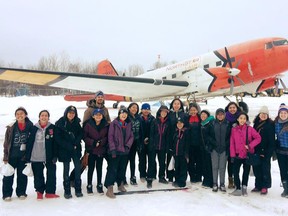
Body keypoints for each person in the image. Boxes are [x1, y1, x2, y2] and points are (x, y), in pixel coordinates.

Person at [26, 110, 59, 200]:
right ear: (39, 117)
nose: (44, 117)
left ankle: (50, 192)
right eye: (42, 115)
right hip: (36, 155)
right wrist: (27, 156)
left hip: (49, 156)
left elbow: (56, 142)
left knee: (51, 174)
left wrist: (55, 155)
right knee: (38, 175)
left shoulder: (52, 128)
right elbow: (29, 142)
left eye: (46, 115)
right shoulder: (34, 128)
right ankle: (39, 192)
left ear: (48, 117)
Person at [2, 107, 33, 201]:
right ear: (15, 116)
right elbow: (6, 143)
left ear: (25, 115)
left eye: (21, 113)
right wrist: (5, 156)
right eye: (17, 114)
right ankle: (7, 194)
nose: (20, 115)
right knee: (8, 176)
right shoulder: (11, 127)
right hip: (12, 155)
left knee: (22, 175)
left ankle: (21, 192)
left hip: (23, 156)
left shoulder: (30, 126)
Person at [104, 107, 134, 198]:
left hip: (124, 151)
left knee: (122, 169)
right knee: (112, 169)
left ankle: (120, 184)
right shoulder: (114, 123)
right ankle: (109, 188)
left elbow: (131, 136)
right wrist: (112, 149)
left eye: (125, 113)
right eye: (122, 113)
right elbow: (110, 136)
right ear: (119, 114)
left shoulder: (129, 123)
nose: (123, 115)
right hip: (115, 151)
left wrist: (128, 146)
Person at [230, 112, 261, 196]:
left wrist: (250, 145)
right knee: (235, 171)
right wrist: (232, 154)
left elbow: (258, 138)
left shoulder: (249, 129)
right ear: (237, 119)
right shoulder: (234, 129)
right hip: (237, 154)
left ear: (246, 120)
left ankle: (244, 187)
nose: (242, 120)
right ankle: (238, 187)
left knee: (246, 172)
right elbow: (232, 142)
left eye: (244, 118)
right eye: (241, 118)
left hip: (247, 154)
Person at [55, 105, 83, 199]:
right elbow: (58, 138)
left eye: (73, 113)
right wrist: (69, 146)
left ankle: (78, 188)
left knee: (78, 167)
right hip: (65, 149)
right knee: (66, 169)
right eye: (69, 113)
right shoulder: (60, 123)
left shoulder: (77, 122)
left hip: (75, 148)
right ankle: (67, 190)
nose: (71, 115)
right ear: (66, 113)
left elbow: (80, 133)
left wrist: (76, 142)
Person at [83, 108, 109, 195]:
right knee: (91, 168)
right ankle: (89, 185)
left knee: (99, 168)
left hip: (101, 150)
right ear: (93, 116)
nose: (98, 116)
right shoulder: (88, 124)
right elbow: (85, 136)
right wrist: (93, 142)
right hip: (91, 150)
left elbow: (107, 136)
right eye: (96, 115)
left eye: (100, 115)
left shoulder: (105, 124)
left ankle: (99, 184)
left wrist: (102, 142)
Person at [252, 106, 275, 195]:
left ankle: (265, 186)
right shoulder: (256, 123)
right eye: (262, 114)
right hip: (256, 150)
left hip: (265, 151)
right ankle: (258, 185)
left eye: (265, 114)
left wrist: (267, 153)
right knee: (256, 168)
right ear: (259, 114)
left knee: (265, 169)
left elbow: (271, 141)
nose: (263, 115)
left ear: (268, 115)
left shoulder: (270, 125)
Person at [149, 105, 170, 188]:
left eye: (165, 112)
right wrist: (151, 144)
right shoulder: (154, 121)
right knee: (151, 162)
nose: (164, 113)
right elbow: (151, 134)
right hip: (154, 145)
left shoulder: (168, 122)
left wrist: (167, 146)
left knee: (162, 163)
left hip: (163, 146)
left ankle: (161, 177)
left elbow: (168, 136)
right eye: (162, 111)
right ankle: (150, 177)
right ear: (159, 112)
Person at [167, 98, 188, 182]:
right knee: (170, 158)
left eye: (178, 104)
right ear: (172, 104)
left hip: (181, 138)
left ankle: (180, 177)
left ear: (180, 105)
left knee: (180, 160)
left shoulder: (184, 114)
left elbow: (186, 126)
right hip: (171, 138)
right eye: (175, 103)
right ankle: (170, 176)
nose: (176, 105)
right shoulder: (169, 114)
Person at [211, 108, 230, 192]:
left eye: (222, 114)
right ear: (216, 115)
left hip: (224, 149)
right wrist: (212, 143)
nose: (220, 116)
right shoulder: (212, 123)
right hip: (214, 149)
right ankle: (215, 183)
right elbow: (208, 135)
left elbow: (230, 136)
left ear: (224, 115)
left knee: (222, 167)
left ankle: (222, 183)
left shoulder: (228, 124)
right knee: (215, 167)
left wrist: (226, 144)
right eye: (218, 114)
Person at [225, 102, 241, 189]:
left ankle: (237, 179)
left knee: (237, 162)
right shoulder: (225, 118)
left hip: (238, 143)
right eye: (230, 107)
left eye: (234, 107)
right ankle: (230, 179)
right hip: (228, 143)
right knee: (230, 162)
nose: (232, 109)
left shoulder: (240, 117)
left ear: (237, 108)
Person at [170, 117, 189, 188]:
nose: (179, 124)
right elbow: (173, 142)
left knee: (183, 168)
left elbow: (187, 143)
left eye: (181, 123)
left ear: (183, 124)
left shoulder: (186, 132)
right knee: (177, 167)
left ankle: (182, 181)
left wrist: (186, 153)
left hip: (183, 153)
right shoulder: (175, 132)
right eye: (178, 123)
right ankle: (177, 179)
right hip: (176, 153)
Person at [138, 103, 155, 183]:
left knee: (151, 159)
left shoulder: (152, 118)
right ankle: (142, 175)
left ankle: (151, 175)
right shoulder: (138, 118)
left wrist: (150, 139)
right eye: (144, 109)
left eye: (148, 109)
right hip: (141, 142)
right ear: (141, 110)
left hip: (151, 141)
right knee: (142, 160)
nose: (146, 111)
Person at [275, 103, 288, 198]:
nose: (283, 114)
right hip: (280, 152)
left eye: (285, 113)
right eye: (281, 113)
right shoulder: (275, 124)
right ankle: (285, 189)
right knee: (283, 170)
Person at [126, 102, 141, 185]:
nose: (134, 109)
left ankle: (133, 176)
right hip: (127, 142)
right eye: (133, 107)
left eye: (136, 108)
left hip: (135, 142)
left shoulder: (138, 117)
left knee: (132, 160)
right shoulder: (126, 116)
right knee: (125, 160)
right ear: (129, 108)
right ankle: (122, 178)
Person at [187, 102, 202, 183]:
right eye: (191, 110)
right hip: (190, 144)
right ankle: (192, 176)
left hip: (199, 144)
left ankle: (199, 176)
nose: (193, 112)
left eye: (194, 110)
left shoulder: (200, 118)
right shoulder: (187, 119)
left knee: (199, 161)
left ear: (197, 110)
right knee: (191, 162)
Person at [199, 109, 215, 188]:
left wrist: (209, 145)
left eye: (205, 115)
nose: (203, 116)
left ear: (208, 116)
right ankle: (205, 180)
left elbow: (212, 136)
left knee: (209, 165)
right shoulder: (202, 124)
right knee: (204, 165)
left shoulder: (210, 123)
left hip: (208, 148)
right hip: (203, 148)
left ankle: (210, 182)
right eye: (202, 115)